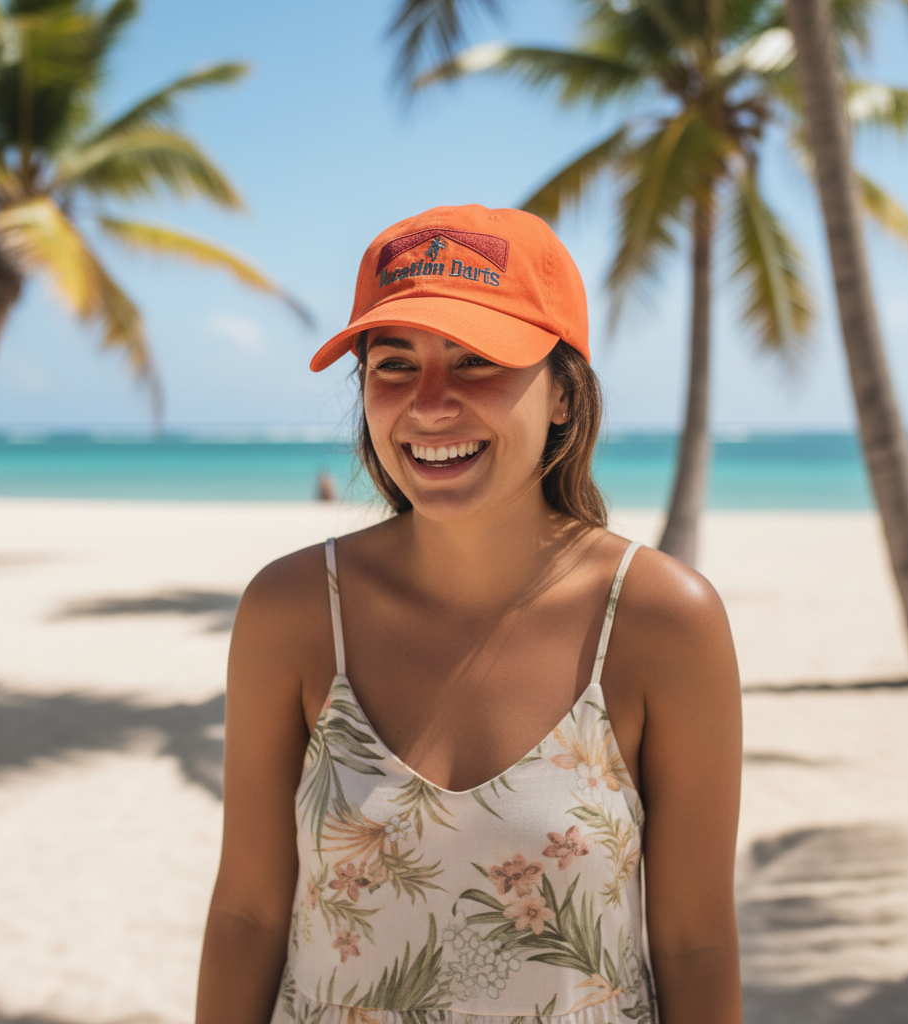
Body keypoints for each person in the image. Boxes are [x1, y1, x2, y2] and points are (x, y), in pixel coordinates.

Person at [196, 205, 743, 1024]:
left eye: (476, 361)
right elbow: (248, 913)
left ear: (564, 393)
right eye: (393, 365)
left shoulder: (662, 621)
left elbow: (695, 942)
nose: (430, 403)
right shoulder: (295, 610)